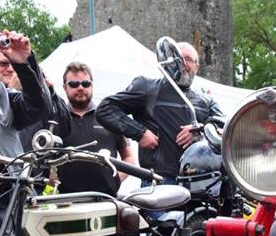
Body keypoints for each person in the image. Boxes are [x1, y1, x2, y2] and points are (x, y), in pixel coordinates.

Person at [96, 41, 224, 183]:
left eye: (188, 59)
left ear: (197, 66)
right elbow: (106, 108)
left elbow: (225, 125)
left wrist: (199, 129)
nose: (183, 64)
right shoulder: (147, 87)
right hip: (159, 180)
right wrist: (139, 132)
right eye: (178, 58)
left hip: (199, 181)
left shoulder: (205, 99)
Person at [53, 62, 135, 195]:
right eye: (74, 84)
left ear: (92, 85)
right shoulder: (56, 119)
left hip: (105, 198)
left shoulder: (110, 117)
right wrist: (53, 182)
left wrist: (116, 180)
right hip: (64, 201)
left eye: (85, 83)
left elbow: (129, 157)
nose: (80, 88)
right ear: (64, 87)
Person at [0, 25, 52, 158]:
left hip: (4, 177)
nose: (9, 69)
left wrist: (24, 64)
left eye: (11, 63)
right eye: (3, 63)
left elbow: (38, 108)